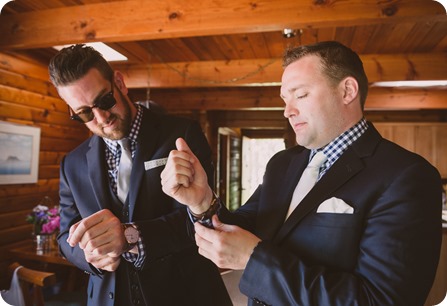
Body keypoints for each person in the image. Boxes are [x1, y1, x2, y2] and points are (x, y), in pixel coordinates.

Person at [160, 41, 443, 305]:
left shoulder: (408, 177)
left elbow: (378, 300)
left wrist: (254, 259)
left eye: (301, 94)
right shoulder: (282, 164)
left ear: (347, 91)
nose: (287, 111)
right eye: (285, 98)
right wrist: (201, 201)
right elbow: (243, 230)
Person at [48, 44, 231, 306]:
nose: (101, 117)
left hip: (182, 293)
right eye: (85, 113)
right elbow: (65, 236)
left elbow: (205, 219)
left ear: (119, 83)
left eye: (104, 100)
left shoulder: (182, 135)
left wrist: (131, 236)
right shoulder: (72, 163)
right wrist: (89, 254)